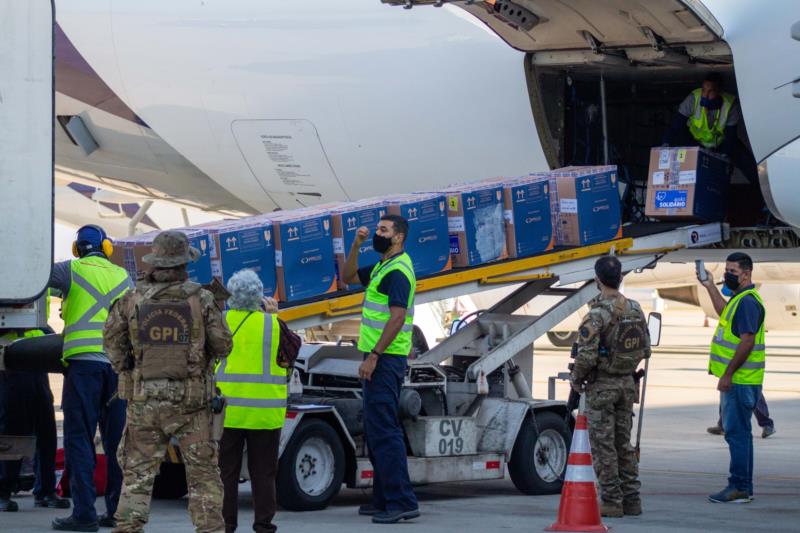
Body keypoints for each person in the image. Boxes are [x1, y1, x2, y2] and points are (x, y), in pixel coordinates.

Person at [103, 230, 233, 532]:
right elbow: (223, 346)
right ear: (184, 263)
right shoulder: (202, 299)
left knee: (137, 477)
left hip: (144, 402)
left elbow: (111, 342)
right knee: (203, 478)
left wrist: (131, 370)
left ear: (156, 262)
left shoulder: (131, 299)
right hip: (191, 404)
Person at [50, 225, 132, 531]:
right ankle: (116, 512)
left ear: (77, 248)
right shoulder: (124, 277)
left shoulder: (69, 269)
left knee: (79, 439)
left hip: (83, 367)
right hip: (116, 369)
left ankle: (83, 514)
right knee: (116, 444)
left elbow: (31, 279)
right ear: (107, 247)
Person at [341, 214, 419, 525]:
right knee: (376, 430)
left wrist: (373, 356)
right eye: (377, 230)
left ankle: (402, 501)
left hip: (386, 358)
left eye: (383, 230)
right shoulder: (382, 266)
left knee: (385, 430)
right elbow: (347, 277)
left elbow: (397, 318)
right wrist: (356, 245)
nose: (378, 234)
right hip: (379, 357)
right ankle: (384, 498)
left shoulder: (398, 271)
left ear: (398, 237)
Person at [216, 269, 300, 533]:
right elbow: (293, 349)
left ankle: (226, 525)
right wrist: (274, 317)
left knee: (225, 474)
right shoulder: (273, 325)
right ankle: (264, 526)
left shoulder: (220, 321)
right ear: (259, 297)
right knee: (263, 474)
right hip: (265, 413)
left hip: (227, 413)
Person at [570, 256, 649, 518]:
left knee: (604, 446)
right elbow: (645, 348)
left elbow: (586, 356)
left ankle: (612, 501)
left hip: (602, 388)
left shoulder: (596, 314)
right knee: (623, 444)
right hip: (627, 385)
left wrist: (576, 379)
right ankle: (632, 500)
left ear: (597, 280)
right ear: (620, 278)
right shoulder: (635, 309)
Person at [698, 252, 766, 503]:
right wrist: (708, 286)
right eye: (726, 270)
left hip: (740, 381)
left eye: (732, 272)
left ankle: (739, 487)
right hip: (743, 381)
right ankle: (742, 486)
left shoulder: (748, 301)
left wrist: (727, 374)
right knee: (741, 435)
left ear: (746, 274)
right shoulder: (739, 300)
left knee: (737, 435)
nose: (727, 275)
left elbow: (747, 340)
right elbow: (723, 313)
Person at [0, 325, 70, 512]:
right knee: (14, 432)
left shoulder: (39, 323)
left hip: (37, 369)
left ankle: (46, 491)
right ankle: (3, 491)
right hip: (11, 366)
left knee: (47, 433)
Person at [663, 73, 758, 184]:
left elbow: (731, 136)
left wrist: (723, 158)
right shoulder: (694, 98)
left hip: (720, 145)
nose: (705, 95)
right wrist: (666, 144)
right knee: (674, 146)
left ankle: (763, 191)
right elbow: (676, 125)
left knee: (746, 162)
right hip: (695, 142)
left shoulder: (730, 105)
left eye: (710, 91)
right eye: (703, 90)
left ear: (719, 91)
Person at [707, 390, 775, 439]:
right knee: (726, 392)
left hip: (744, 374)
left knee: (751, 392)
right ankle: (723, 424)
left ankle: (766, 424)